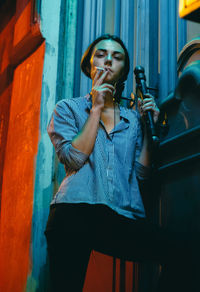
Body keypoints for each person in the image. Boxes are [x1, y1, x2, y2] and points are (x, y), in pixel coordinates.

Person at [44, 34, 198, 292]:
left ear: (124, 70)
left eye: (117, 58)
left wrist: (149, 130)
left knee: (183, 252)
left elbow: (141, 174)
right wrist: (96, 108)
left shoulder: (132, 119)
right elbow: (73, 158)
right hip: (73, 212)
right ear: (89, 65)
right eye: (101, 54)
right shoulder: (67, 108)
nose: (108, 61)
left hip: (118, 216)